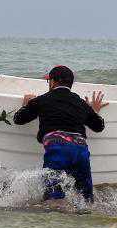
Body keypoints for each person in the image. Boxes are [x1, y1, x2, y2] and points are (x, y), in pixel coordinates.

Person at [13, 66, 107, 204]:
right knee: (86, 199)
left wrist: (25, 104)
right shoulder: (80, 103)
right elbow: (99, 126)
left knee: (53, 199)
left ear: (53, 82)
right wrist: (93, 111)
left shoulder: (42, 100)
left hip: (58, 149)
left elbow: (18, 119)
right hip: (80, 150)